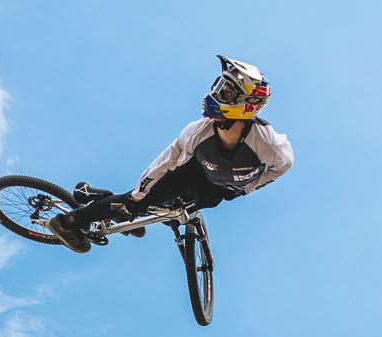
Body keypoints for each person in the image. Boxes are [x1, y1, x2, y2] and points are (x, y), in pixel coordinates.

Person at [48, 55, 293, 254]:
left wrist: (248, 188)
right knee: (138, 201)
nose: (216, 94)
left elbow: (283, 165)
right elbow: (163, 163)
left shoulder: (268, 144)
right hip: (192, 174)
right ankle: (70, 222)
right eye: (219, 87)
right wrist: (137, 196)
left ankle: (116, 209)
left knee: (172, 215)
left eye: (226, 93)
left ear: (247, 104)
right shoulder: (197, 133)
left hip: (219, 191)